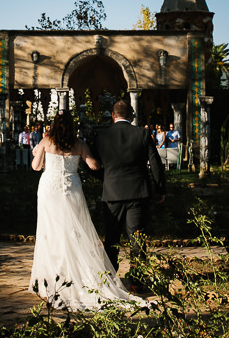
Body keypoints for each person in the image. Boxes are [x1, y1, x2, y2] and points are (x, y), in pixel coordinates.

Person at [28, 111, 145, 310]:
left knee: (51, 232)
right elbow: (94, 165)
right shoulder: (79, 143)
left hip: (49, 189)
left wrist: (37, 153)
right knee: (73, 230)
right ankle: (78, 273)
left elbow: (35, 166)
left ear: (54, 125)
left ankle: (53, 275)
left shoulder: (46, 141)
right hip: (71, 187)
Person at [91, 100, 166, 289]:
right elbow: (155, 163)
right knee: (137, 237)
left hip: (112, 193)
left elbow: (90, 164)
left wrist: (105, 177)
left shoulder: (102, 136)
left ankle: (108, 278)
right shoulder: (142, 133)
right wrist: (159, 188)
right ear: (131, 115)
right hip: (137, 192)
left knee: (112, 238)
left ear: (113, 115)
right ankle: (138, 280)